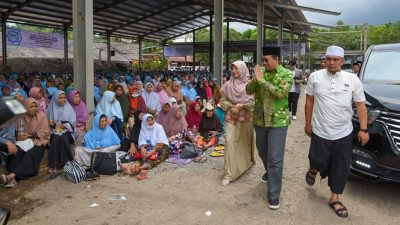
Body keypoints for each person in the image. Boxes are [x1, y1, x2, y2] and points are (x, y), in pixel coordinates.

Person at [304, 46, 369, 218]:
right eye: (328, 59)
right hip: (320, 130)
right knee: (317, 159)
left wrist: (363, 129)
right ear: (324, 60)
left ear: (342, 61)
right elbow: (309, 101)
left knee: (341, 166)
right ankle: (314, 168)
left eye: (335, 59)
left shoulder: (353, 79)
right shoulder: (315, 77)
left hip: (344, 132)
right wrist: (307, 124)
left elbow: (361, 105)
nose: (331, 62)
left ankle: (335, 197)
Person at [246, 46, 292, 210]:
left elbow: (280, 93)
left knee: (275, 158)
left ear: (276, 59)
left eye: (267, 60)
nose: (264, 63)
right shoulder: (260, 73)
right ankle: (270, 172)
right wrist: (254, 79)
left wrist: (262, 81)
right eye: (263, 60)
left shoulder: (286, 74)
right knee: (262, 151)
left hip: (278, 121)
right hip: (260, 119)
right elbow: (248, 90)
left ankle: (273, 195)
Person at [0, 98, 50, 188]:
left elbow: (45, 133)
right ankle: (13, 179)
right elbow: (15, 133)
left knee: (31, 154)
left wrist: (30, 135)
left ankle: (11, 176)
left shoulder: (41, 116)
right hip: (22, 142)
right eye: (31, 107)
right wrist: (18, 137)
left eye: (35, 106)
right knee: (17, 152)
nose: (34, 108)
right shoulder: (20, 117)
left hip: (38, 142)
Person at [221, 60, 255, 186]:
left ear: (243, 70)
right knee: (230, 142)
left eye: (237, 68)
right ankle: (229, 173)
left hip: (246, 117)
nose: (234, 71)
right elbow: (222, 101)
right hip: (231, 116)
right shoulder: (227, 85)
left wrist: (243, 106)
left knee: (243, 143)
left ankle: (245, 164)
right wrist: (230, 105)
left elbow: (254, 103)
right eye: (232, 68)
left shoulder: (250, 85)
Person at [121, 114, 170, 180]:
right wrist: (142, 148)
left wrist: (152, 151)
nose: (151, 122)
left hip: (161, 146)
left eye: (152, 119)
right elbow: (142, 140)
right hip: (149, 146)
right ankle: (132, 167)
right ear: (144, 122)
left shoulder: (158, 127)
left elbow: (160, 141)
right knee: (142, 155)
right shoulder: (143, 128)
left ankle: (140, 169)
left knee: (157, 157)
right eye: (148, 121)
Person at [47, 90, 77, 173]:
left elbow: (73, 123)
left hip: (67, 130)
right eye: (60, 98)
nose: (63, 100)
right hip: (54, 131)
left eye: (64, 98)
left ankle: (67, 163)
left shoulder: (69, 107)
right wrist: (50, 123)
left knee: (63, 138)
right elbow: (47, 122)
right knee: (56, 138)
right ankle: (53, 164)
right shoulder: (51, 108)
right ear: (56, 98)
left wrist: (64, 125)